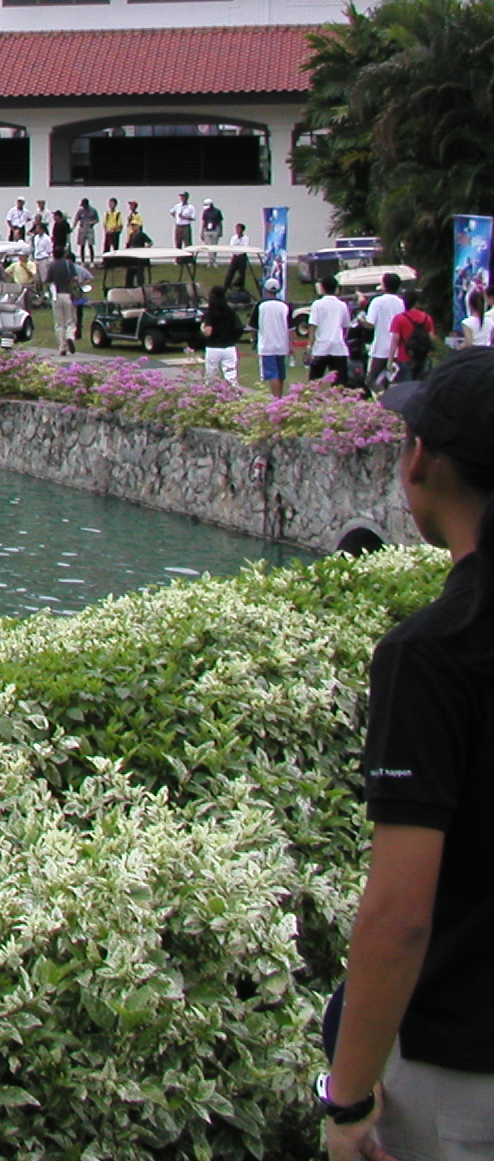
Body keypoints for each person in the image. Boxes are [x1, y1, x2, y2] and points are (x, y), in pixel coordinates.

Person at [320, 349, 494, 1161]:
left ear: (421, 461)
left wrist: (348, 1096)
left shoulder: (433, 655)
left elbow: (399, 914)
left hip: (460, 1070)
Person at [308, 276, 354, 386]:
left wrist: (309, 346)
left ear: (322, 288)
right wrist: (343, 338)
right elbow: (346, 326)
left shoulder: (317, 304)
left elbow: (313, 326)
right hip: (338, 346)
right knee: (339, 382)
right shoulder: (342, 305)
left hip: (321, 346)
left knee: (315, 381)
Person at [368, 275, 409, 393]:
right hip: (396, 348)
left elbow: (370, 323)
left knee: (371, 380)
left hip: (380, 347)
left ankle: (382, 396)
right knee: (389, 380)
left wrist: (361, 321)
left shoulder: (377, 301)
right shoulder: (401, 302)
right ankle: (388, 396)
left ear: (384, 286)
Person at [200, 283, 243, 387]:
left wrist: (202, 329)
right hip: (229, 347)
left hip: (213, 347)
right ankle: (234, 393)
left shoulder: (211, 312)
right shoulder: (231, 312)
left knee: (211, 375)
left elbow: (208, 332)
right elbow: (239, 327)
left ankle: (210, 393)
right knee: (231, 375)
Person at [256, 285, 292, 398]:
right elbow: (291, 328)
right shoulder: (285, 306)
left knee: (272, 374)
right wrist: (291, 345)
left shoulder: (261, 306)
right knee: (280, 373)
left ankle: (276, 398)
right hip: (282, 345)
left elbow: (254, 326)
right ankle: (279, 396)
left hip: (267, 345)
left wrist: (254, 340)